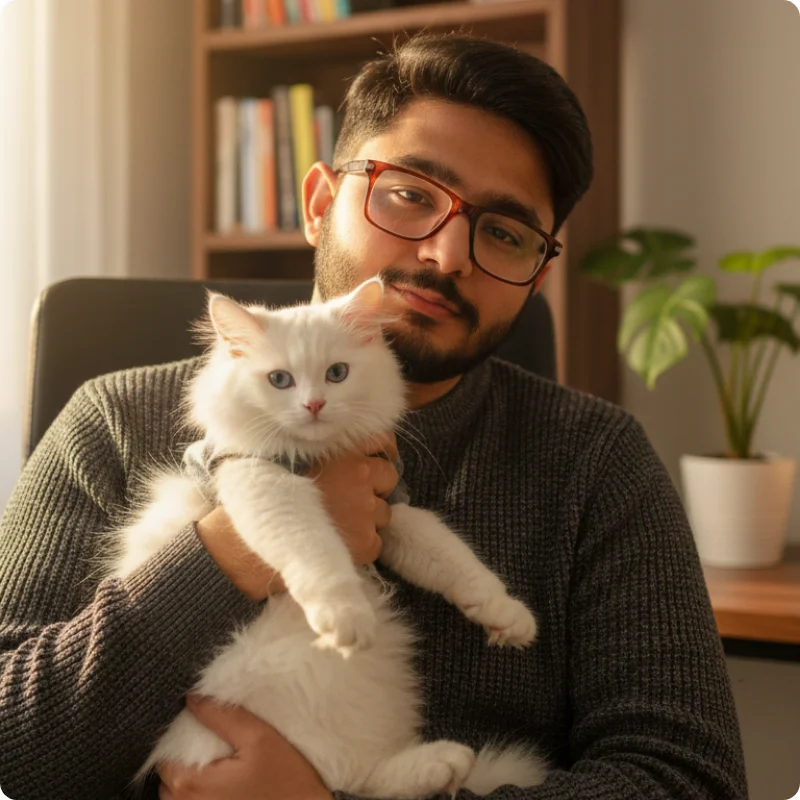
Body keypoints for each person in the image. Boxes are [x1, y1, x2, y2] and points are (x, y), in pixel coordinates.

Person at [0, 32, 747, 800]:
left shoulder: (596, 459)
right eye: (412, 194)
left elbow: (688, 778)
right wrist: (232, 551)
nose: (448, 254)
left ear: (539, 271)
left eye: (504, 231)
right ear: (321, 202)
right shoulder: (113, 422)